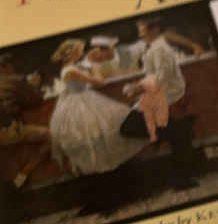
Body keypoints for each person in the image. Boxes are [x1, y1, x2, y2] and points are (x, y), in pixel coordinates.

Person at [49, 38, 147, 175]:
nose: (81, 53)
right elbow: (99, 82)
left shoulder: (72, 67)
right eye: (79, 51)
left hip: (84, 98)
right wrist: (94, 66)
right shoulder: (71, 70)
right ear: (72, 53)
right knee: (99, 132)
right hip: (80, 102)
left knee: (107, 129)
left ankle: (115, 165)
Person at [120, 17, 197, 189]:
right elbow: (153, 74)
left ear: (154, 30)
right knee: (176, 137)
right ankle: (183, 178)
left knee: (128, 127)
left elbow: (162, 77)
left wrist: (137, 88)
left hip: (164, 96)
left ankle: (176, 133)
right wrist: (139, 87)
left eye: (142, 30)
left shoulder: (160, 49)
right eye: (139, 30)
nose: (140, 34)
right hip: (157, 95)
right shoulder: (152, 47)